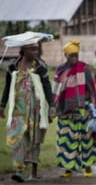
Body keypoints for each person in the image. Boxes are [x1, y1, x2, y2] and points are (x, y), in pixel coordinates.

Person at [0, 37, 55, 182]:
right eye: (32, 49)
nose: (36, 51)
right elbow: (7, 87)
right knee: (18, 137)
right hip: (18, 110)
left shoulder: (40, 67)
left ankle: (34, 172)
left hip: (36, 110)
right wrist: (2, 105)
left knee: (34, 139)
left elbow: (47, 88)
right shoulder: (13, 67)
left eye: (37, 48)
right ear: (24, 50)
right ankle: (19, 170)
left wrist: (52, 107)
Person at [52, 40, 96, 178]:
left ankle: (87, 167)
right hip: (65, 112)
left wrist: (94, 106)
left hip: (83, 110)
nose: (73, 58)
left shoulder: (84, 68)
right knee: (66, 140)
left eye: (76, 55)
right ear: (65, 56)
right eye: (71, 56)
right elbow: (55, 90)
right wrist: (53, 109)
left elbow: (91, 88)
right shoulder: (61, 70)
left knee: (86, 139)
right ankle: (68, 169)